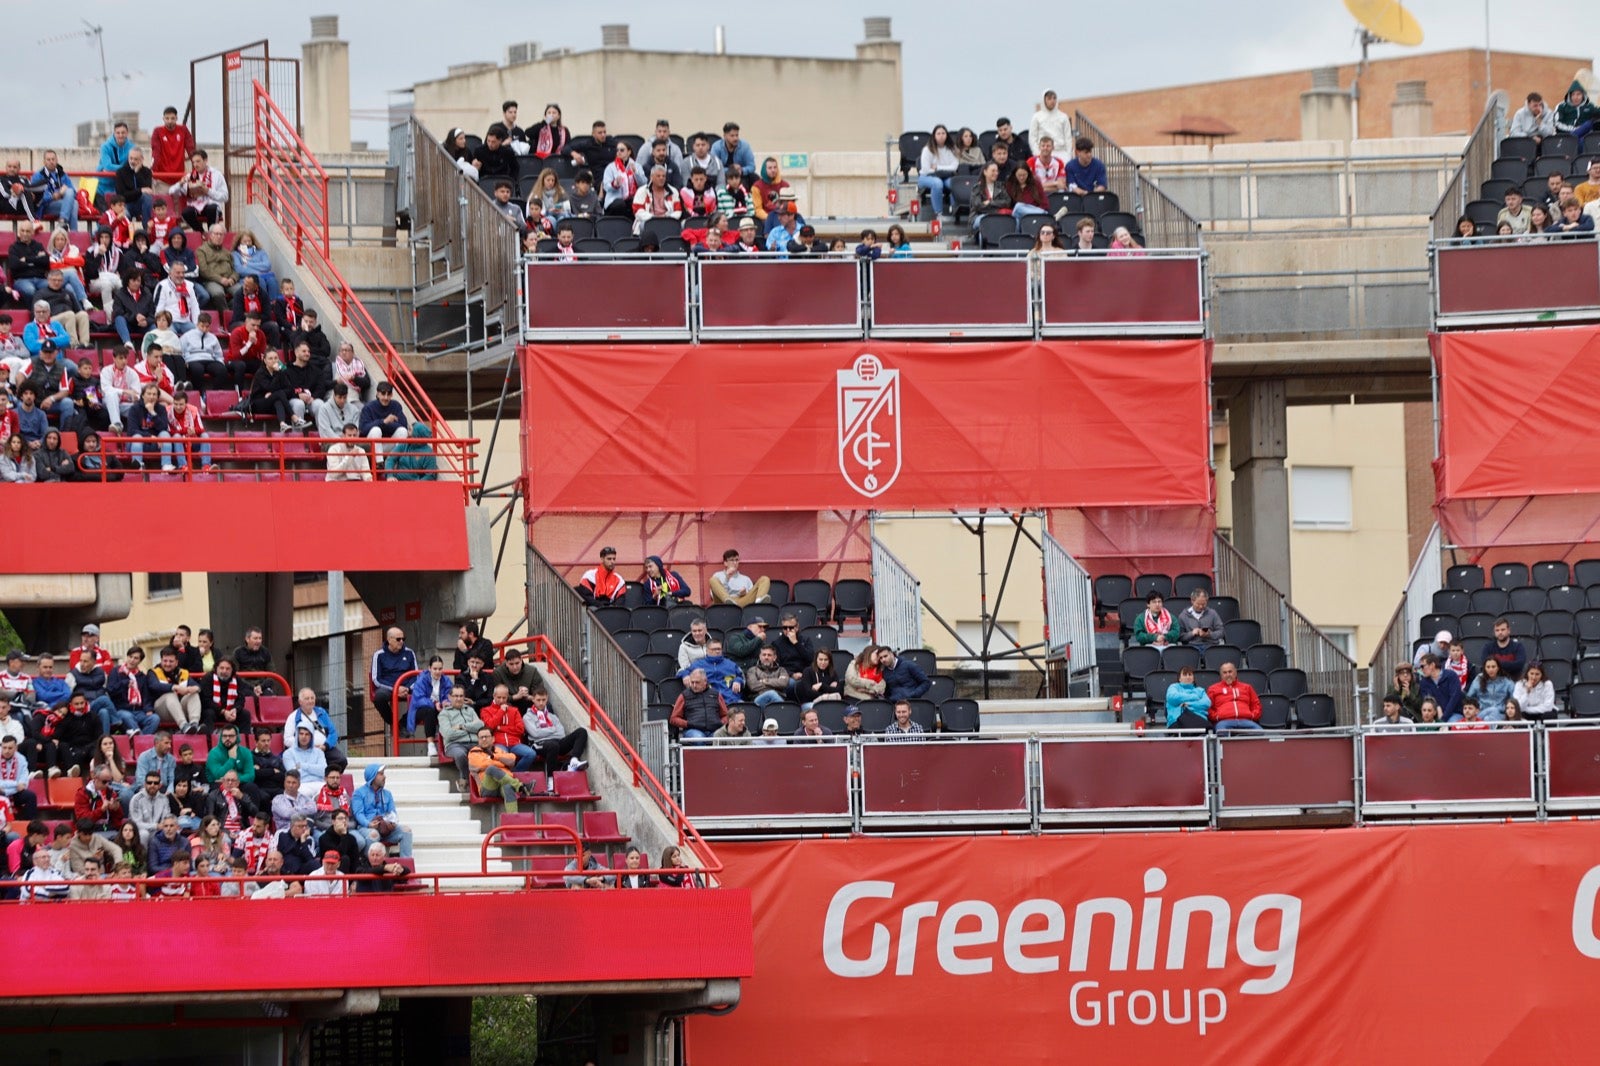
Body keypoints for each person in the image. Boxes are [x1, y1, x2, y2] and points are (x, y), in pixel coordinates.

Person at [352, 764, 412, 857]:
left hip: (385, 828)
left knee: (406, 831)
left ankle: (406, 864)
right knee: (373, 835)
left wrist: (392, 822)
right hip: (367, 827)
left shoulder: (387, 794)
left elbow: (393, 812)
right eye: (381, 774)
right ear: (372, 776)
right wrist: (369, 824)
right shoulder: (359, 793)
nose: (384, 777)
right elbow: (358, 814)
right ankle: (369, 866)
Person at [468, 726, 534, 811]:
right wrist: (502, 762)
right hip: (488, 788)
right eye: (481, 737)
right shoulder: (474, 752)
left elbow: (512, 759)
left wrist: (495, 757)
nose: (484, 739)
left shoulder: (499, 750)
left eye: (486, 737)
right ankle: (520, 786)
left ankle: (513, 818)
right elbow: (481, 764)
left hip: (503, 784)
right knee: (491, 769)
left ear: (493, 738)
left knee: (507, 787)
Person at [369, 627, 418, 729]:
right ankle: (394, 724)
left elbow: (415, 675)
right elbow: (376, 679)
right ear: (389, 640)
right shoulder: (378, 655)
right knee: (379, 697)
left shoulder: (409, 653)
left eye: (403, 639)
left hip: (406, 687)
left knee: (425, 696)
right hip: (389, 687)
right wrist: (395, 689)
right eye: (398, 639)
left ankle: (403, 724)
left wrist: (408, 688)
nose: (401, 642)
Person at [480, 685, 537, 771]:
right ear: (494, 696)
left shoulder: (514, 710)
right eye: (499, 697)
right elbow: (490, 727)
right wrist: (501, 711)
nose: (502, 700)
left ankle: (515, 774)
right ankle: (508, 777)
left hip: (515, 743)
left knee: (531, 754)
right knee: (504, 757)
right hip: (498, 743)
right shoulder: (485, 710)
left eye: (504, 698)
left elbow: (520, 730)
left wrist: (500, 728)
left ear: (507, 697)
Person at [173, 150, 229, 231]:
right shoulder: (190, 176)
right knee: (185, 213)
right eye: (193, 162)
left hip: (211, 206)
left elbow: (225, 197)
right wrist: (180, 184)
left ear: (205, 160)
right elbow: (172, 192)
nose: (195, 164)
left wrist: (208, 191)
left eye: (198, 161)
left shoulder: (216, 174)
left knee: (212, 209)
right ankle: (201, 233)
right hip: (195, 206)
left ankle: (211, 233)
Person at [438, 687, 485, 781]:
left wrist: (461, 726)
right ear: (449, 697)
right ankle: (465, 780)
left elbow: (480, 725)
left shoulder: (470, 710)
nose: (458, 699)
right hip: (454, 745)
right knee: (460, 754)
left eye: (461, 696)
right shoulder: (444, 714)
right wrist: (471, 729)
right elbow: (448, 734)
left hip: (475, 743)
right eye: (455, 696)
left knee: (485, 753)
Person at [669, 669, 727, 740]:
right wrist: (687, 724)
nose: (694, 685)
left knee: (720, 737)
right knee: (699, 738)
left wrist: (721, 722)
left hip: (714, 729)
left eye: (697, 682)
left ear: (705, 681)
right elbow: (674, 718)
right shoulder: (684, 696)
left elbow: (726, 715)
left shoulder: (716, 695)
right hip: (692, 730)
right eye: (692, 682)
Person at [1206, 662, 1263, 732]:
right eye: (1225, 672)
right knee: (1221, 731)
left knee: (1259, 731)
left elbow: (1256, 704)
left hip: (1245, 720)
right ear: (1221, 675)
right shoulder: (1213, 689)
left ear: (1235, 673)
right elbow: (1208, 707)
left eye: (1230, 672)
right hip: (1224, 722)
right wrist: (1217, 717)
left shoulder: (1247, 687)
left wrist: (1252, 716)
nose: (1228, 675)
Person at [917, 125, 959, 216]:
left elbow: (954, 167)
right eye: (938, 133)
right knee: (937, 183)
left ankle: (955, 210)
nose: (941, 136)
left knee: (954, 183)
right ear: (934, 136)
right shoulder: (927, 149)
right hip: (926, 177)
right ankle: (939, 213)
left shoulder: (951, 149)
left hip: (946, 176)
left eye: (943, 133)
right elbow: (926, 169)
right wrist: (943, 168)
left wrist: (937, 168)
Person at [359, 381, 409, 457]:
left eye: (388, 394)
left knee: (403, 431)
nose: (386, 397)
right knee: (376, 430)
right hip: (370, 444)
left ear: (391, 395)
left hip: (388, 443)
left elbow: (403, 425)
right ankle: (379, 463)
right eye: (383, 394)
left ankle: (396, 461)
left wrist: (386, 424)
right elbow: (363, 429)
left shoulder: (396, 405)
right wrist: (384, 421)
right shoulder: (368, 407)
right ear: (378, 394)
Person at [1465, 656, 1514, 722]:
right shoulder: (1478, 679)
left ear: (1498, 668)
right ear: (1484, 668)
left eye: (1493, 667)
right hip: (1482, 712)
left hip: (1500, 713)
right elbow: (1469, 697)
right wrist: (1477, 707)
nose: (1491, 669)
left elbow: (1514, 699)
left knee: (1489, 716)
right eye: (1488, 667)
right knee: (1487, 717)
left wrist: (1505, 708)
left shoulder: (1506, 681)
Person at [1417, 653, 1463, 722]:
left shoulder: (1451, 676)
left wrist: (1443, 719)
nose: (1421, 669)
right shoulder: (1424, 682)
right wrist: (1438, 707)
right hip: (1434, 716)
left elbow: (1454, 699)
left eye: (1423, 666)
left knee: (1452, 723)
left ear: (1432, 665)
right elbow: (1428, 700)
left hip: (1454, 713)